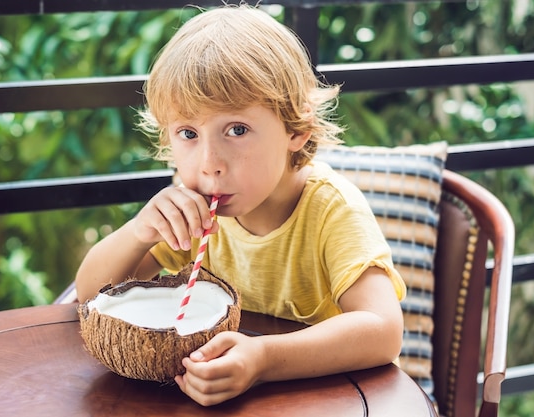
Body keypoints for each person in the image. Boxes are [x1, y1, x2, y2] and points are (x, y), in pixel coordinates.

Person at [75, 4, 406, 407]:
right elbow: (91, 296)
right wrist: (138, 233)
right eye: (188, 133)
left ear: (296, 129)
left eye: (237, 129)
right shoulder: (193, 209)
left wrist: (264, 359)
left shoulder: (331, 211)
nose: (209, 163)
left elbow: (384, 330)